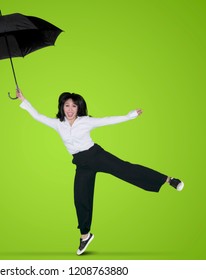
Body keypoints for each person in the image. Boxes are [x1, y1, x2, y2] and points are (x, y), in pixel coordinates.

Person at [16, 89, 184, 255]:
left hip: (96, 156)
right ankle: (85, 236)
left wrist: (129, 116)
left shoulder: (85, 121)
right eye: (67, 105)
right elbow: (38, 116)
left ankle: (168, 180)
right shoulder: (57, 124)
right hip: (82, 164)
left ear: (79, 108)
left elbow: (107, 120)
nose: (70, 109)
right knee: (80, 197)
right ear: (62, 107)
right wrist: (23, 99)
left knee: (126, 169)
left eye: (74, 106)